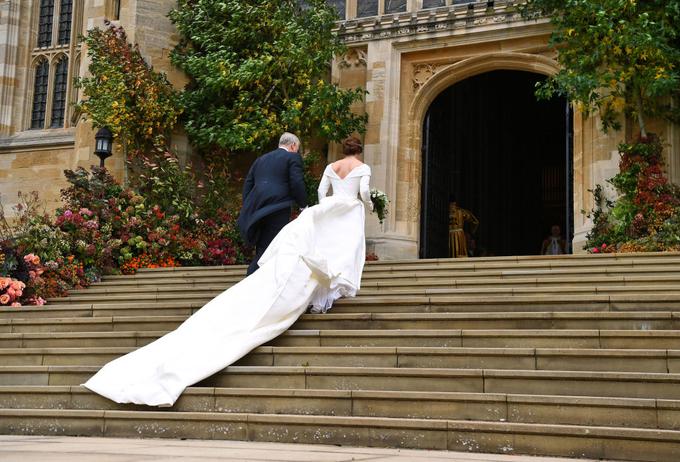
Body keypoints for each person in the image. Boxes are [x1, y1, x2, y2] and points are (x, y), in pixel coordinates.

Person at [83, 136, 372, 407]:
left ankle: (261, 281)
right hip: (300, 210)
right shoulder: (304, 161)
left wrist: (273, 210)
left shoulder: (269, 161)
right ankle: (308, 290)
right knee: (316, 252)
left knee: (267, 255)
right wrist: (313, 205)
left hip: (262, 210)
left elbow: (275, 187)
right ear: (294, 147)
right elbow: (337, 191)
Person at [238, 132, 308, 276]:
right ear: (293, 145)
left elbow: (248, 184)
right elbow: (296, 182)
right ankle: (252, 275)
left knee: (263, 245)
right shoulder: (292, 157)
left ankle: (259, 278)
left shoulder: (261, 159)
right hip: (279, 207)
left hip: (257, 209)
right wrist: (303, 205)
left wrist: (248, 206)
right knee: (275, 245)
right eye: (297, 148)